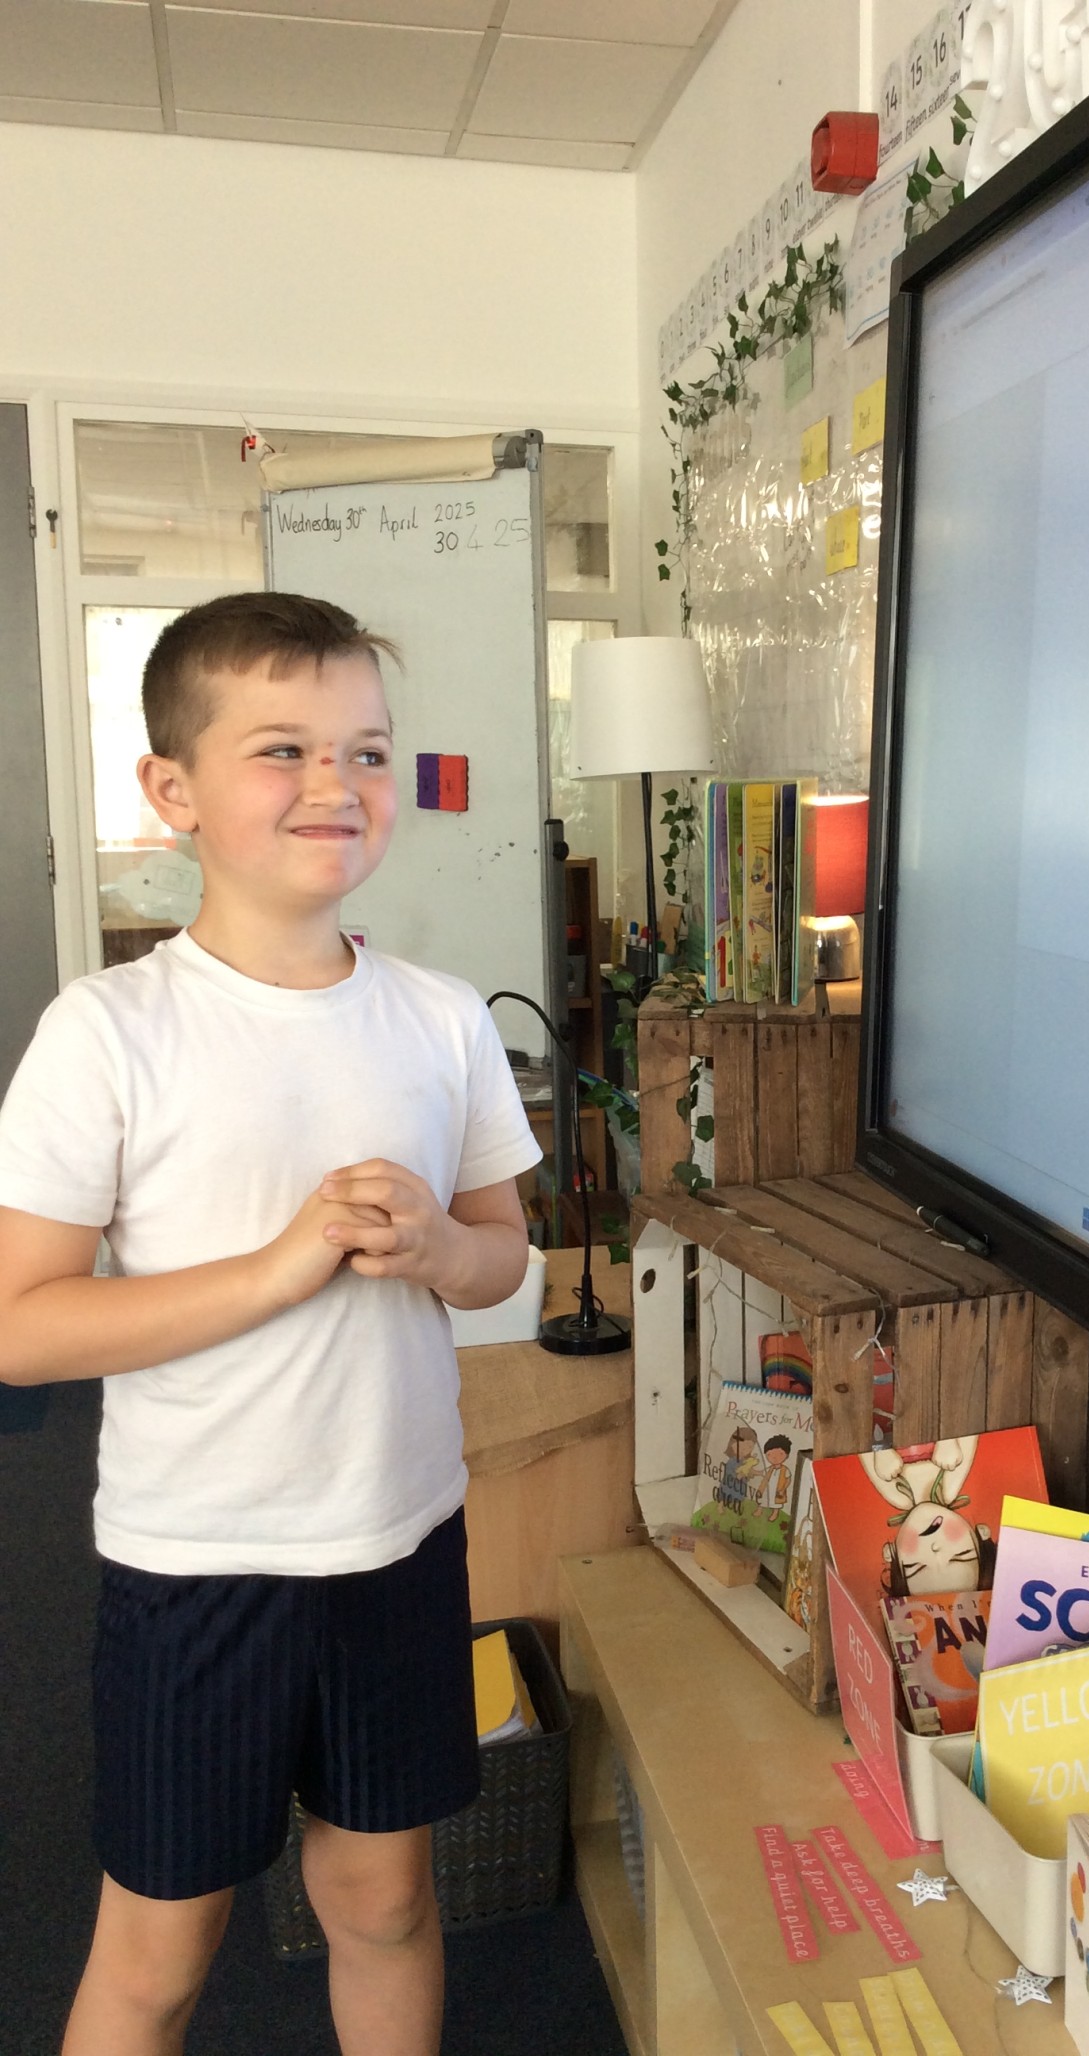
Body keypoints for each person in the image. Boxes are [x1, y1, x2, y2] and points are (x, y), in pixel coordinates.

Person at [0, 592, 543, 2056]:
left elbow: (507, 1261)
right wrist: (277, 1267)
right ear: (171, 790)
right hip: (200, 1562)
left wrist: (439, 1248)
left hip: (397, 1539)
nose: (335, 784)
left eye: (367, 751)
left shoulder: (440, 1018)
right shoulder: (108, 1032)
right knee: (159, 1953)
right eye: (283, 749)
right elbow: (20, 1327)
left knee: (386, 1899)